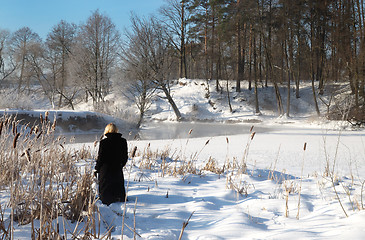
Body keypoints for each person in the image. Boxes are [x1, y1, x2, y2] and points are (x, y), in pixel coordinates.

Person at [95, 123, 128, 205]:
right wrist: (121, 164)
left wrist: (97, 168)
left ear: (107, 130)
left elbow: (101, 157)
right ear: (116, 130)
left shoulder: (104, 142)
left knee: (105, 185)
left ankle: (106, 199)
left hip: (105, 169)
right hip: (117, 167)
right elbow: (125, 156)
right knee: (118, 183)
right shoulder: (123, 141)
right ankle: (119, 198)